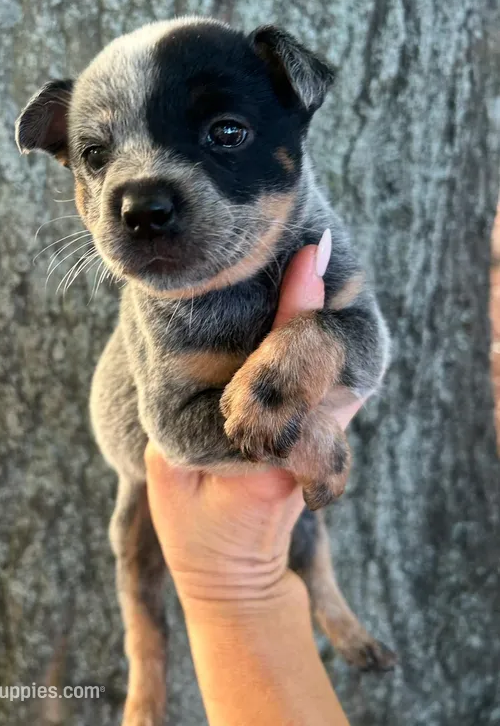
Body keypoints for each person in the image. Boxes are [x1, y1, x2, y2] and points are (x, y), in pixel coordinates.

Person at [146, 245, 362, 726]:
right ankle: (144, 685)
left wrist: (322, 343)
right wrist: (298, 430)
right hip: (165, 484)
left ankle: (335, 613)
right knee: (133, 553)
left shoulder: (315, 241)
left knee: (304, 519)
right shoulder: (162, 302)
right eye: (96, 160)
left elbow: (370, 345)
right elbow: (174, 431)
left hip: (227, 542)